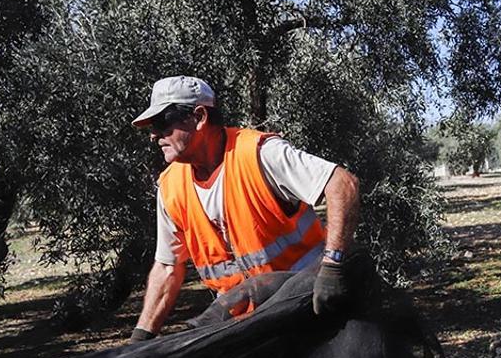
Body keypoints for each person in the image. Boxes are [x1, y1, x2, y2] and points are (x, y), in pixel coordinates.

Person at [127, 75, 361, 341]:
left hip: (310, 305)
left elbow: (342, 184)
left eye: (162, 123)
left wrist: (333, 267)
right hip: (243, 326)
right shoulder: (170, 187)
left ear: (199, 117)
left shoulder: (260, 154)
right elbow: (168, 268)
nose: (154, 135)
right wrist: (140, 337)